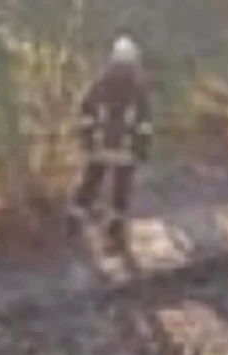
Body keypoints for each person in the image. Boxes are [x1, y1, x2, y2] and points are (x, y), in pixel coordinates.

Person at [67, 35, 153, 255]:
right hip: (124, 151)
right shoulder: (138, 88)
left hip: (99, 148)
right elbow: (144, 124)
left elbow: (85, 112)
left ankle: (73, 227)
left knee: (89, 185)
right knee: (119, 194)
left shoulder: (99, 84)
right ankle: (114, 238)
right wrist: (142, 150)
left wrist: (86, 141)